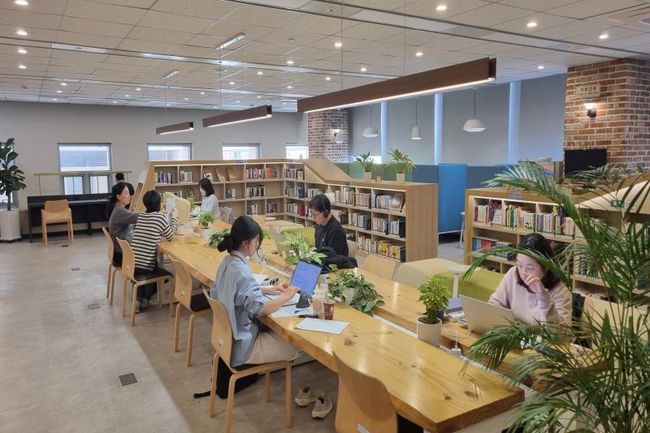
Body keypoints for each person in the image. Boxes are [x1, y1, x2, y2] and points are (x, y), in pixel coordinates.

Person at [210, 215, 300, 367]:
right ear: (245, 243)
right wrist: (287, 296)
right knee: (296, 345)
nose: (257, 245)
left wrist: (267, 290)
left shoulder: (227, 262)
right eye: (256, 241)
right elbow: (260, 309)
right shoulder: (242, 271)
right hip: (243, 348)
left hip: (225, 340)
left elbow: (235, 292)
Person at [488, 233, 572, 324]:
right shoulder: (513, 274)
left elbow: (559, 332)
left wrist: (543, 297)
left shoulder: (561, 291)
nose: (523, 273)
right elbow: (495, 302)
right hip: (513, 332)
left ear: (546, 267)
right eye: (520, 265)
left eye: (529, 268)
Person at [131, 190, 177, 311]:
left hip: (132, 263)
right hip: (145, 266)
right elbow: (170, 236)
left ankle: (140, 297)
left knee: (152, 263)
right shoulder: (160, 218)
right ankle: (145, 298)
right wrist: (174, 219)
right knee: (166, 274)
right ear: (158, 204)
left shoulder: (141, 216)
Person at [106, 183, 138, 266]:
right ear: (118, 196)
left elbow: (131, 222)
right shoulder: (120, 212)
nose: (129, 196)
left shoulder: (118, 209)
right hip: (122, 255)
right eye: (126, 193)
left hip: (119, 253)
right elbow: (138, 217)